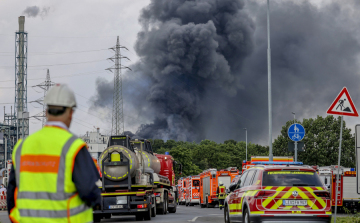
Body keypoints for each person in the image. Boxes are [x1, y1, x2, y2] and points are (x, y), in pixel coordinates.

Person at [7, 84, 101, 222]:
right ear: (70, 113)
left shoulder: (22, 147)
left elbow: (11, 195)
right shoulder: (73, 147)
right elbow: (89, 192)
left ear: (46, 112)